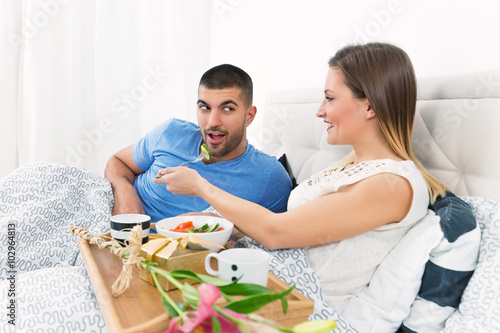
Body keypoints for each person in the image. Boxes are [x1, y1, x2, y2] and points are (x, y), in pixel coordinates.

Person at [154, 43, 448, 314]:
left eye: (330, 98)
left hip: (297, 304)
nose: (320, 110)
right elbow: (299, 233)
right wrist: (223, 228)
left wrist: (201, 187)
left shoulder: (391, 185)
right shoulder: (350, 168)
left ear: (370, 106)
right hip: (262, 276)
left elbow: (277, 232)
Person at [105, 64, 292, 222]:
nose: (212, 122)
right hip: (113, 227)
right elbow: (117, 161)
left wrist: (230, 231)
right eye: (205, 107)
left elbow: (274, 237)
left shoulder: (269, 177)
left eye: (227, 109)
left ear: (249, 116)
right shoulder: (171, 133)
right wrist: (123, 191)